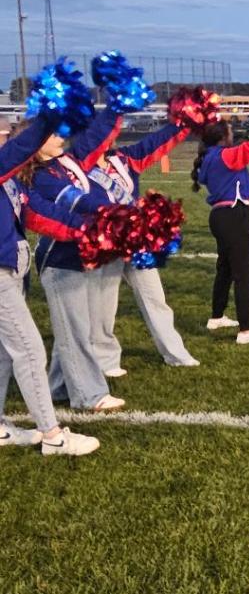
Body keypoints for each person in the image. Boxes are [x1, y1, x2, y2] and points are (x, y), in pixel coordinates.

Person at [1, 116, 100, 454]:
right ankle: (52, 436)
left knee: (4, 354)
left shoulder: (11, 182)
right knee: (30, 351)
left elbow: (41, 214)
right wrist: (52, 113)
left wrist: (94, 229)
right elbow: (23, 147)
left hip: (12, 272)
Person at [21, 110, 126, 411]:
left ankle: (58, 386)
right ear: (36, 142)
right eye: (53, 134)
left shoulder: (63, 165)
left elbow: (96, 136)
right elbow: (77, 201)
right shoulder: (41, 176)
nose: (61, 137)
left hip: (77, 254)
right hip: (59, 259)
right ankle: (89, 395)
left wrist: (116, 105)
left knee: (74, 327)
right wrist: (117, 211)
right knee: (76, 331)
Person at [83, 107, 198, 375]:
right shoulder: (79, 168)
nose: (108, 138)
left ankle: (175, 353)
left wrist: (185, 122)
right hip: (105, 245)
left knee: (155, 298)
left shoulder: (125, 159)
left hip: (135, 244)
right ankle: (106, 360)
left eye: (110, 133)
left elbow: (157, 141)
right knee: (103, 305)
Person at [192, 119, 249, 344]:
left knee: (225, 269)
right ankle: (246, 331)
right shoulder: (226, 156)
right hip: (234, 217)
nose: (234, 134)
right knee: (244, 274)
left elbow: (245, 191)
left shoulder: (211, 157)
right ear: (222, 137)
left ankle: (217, 316)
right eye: (231, 132)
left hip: (221, 217)